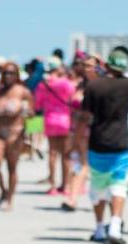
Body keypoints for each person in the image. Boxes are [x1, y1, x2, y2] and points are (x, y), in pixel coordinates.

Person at [80, 47, 128, 244]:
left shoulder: (94, 86)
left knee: (98, 186)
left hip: (97, 141)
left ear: (106, 65)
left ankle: (99, 228)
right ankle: (115, 226)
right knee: (119, 186)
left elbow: (86, 116)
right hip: (122, 141)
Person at [0, 61, 34, 210]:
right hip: (0, 133)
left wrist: (32, 137)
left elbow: (34, 115)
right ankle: (3, 191)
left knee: (11, 168)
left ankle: (10, 199)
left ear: (17, 75)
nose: (8, 75)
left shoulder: (23, 91)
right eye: (5, 72)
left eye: (11, 73)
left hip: (16, 134)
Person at [34, 57, 75, 195]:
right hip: (65, 121)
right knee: (66, 155)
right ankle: (65, 186)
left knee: (52, 154)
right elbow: (73, 97)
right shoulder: (65, 83)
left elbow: (37, 104)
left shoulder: (43, 84)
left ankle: (52, 186)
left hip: (49, 120)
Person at [63, 54, 98, 212]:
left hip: (93, 130)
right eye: (84, 65)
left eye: (90, 65)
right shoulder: (78, 85)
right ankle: (72, 197)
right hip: (77, 129)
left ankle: (74, 198)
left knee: (86, 165)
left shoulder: (100, 87)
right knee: (78, 164)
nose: (86, 68)